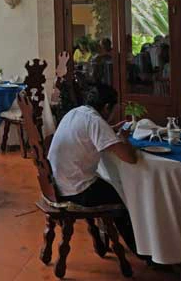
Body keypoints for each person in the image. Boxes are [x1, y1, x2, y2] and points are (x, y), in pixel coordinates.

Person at [48, 84, 137, 250]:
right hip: (76, 190)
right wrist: (123, 138)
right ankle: (139, 250)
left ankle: (104, 239)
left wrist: (110, 130)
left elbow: (88, 133)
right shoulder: (96, 121)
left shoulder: (75, 112)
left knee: (107, 183)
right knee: (123, 196)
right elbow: (130, 158)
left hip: (57, 184)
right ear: (107, 107)